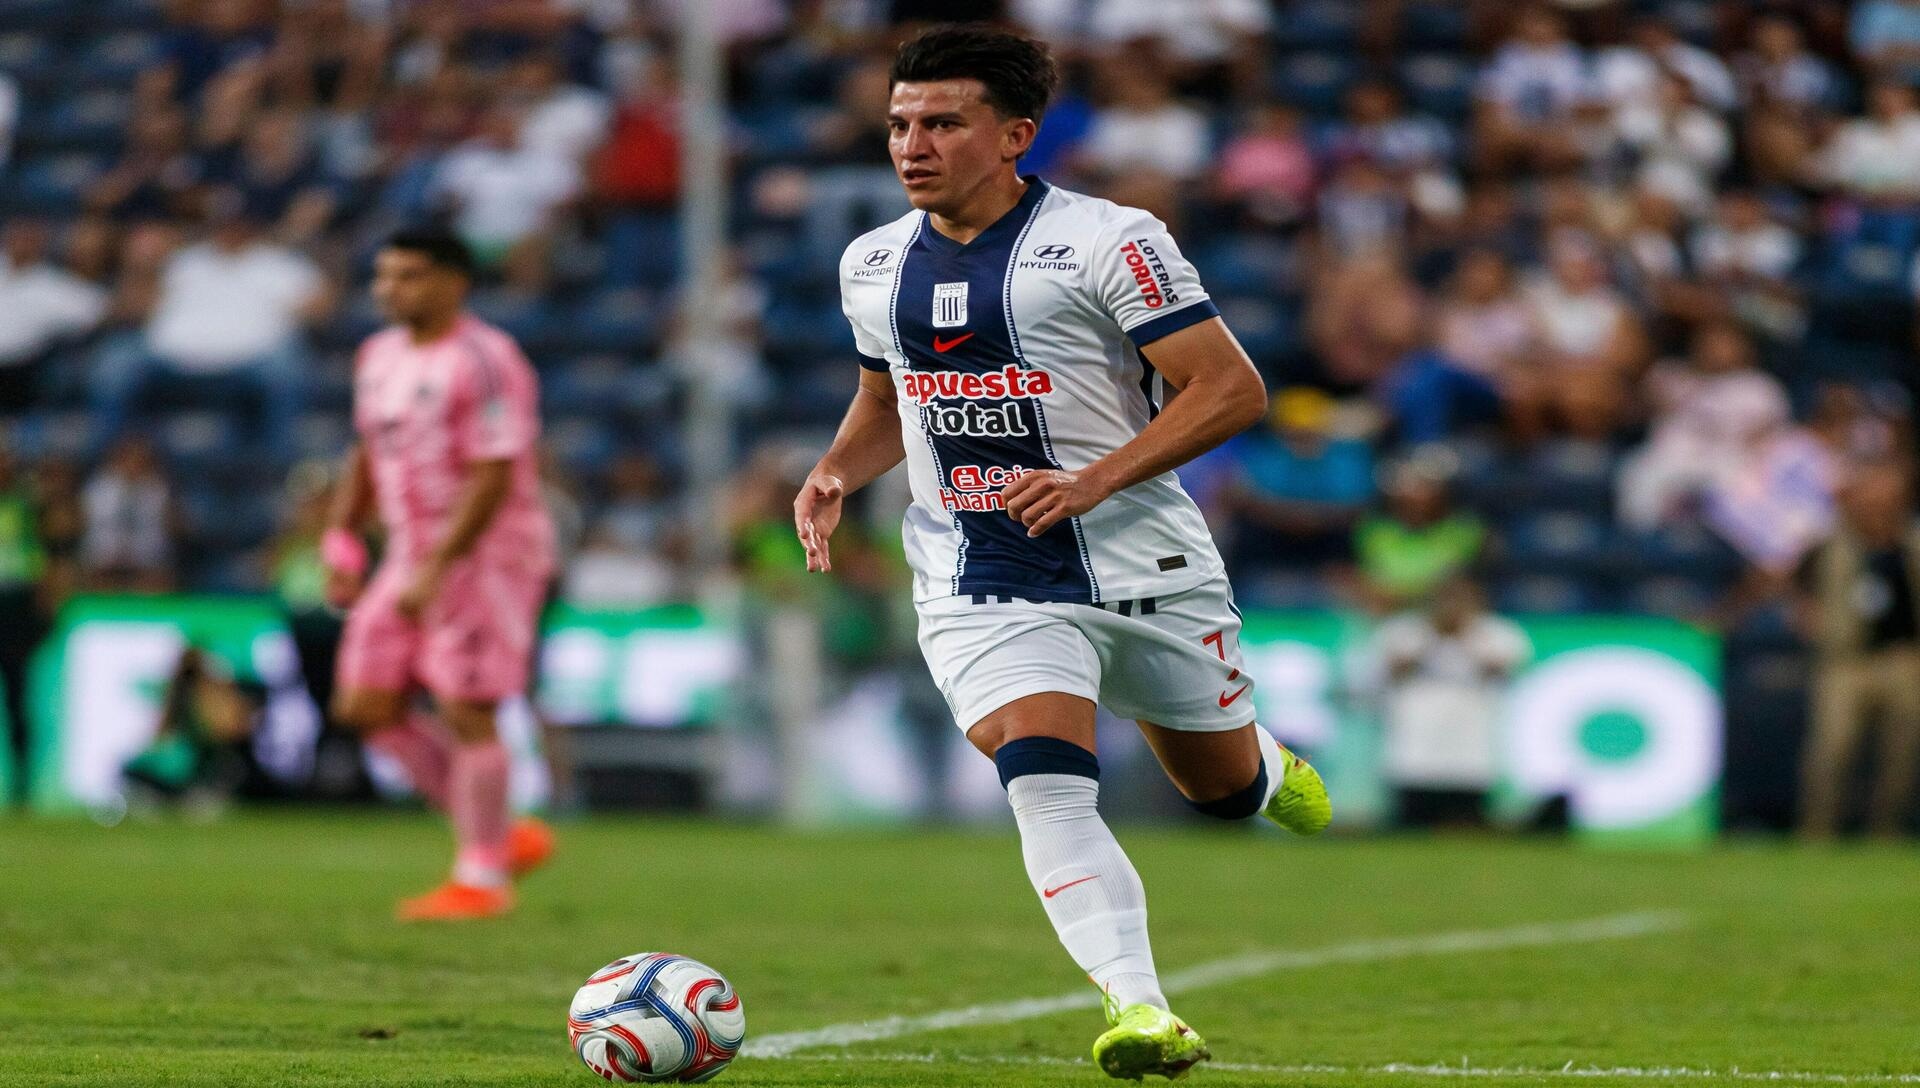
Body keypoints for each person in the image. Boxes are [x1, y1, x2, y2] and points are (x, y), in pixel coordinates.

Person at [792, 26, 1330, 1080]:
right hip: (978, 570)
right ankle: (1142, 1008)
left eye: (943, 122)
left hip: (1142, 561)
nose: (913, 144)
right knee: (1043, 778)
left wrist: (1094, 477)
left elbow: (1229, 390)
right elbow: (885, 393)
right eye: (900, 123)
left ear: (1015, 134)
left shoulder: (1109, 239)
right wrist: (835, 471)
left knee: (1216, 793)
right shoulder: (871, 261)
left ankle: (1261, 764)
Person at [320, 228, 557, 921]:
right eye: (385, 276)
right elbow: (368, 450)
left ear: (456, 281)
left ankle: (481, 877)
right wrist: (341, 536)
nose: (392, 290)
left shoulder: (485, 359)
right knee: (366, 706)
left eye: (412, 276)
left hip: (486, 554)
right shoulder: (378, 356)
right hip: (409, 552)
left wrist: (439, 567)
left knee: (468, 708)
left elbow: (494, 473)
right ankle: (500, 835)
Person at [1797, 459, 1920, 839]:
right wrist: (1804, 611)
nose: (1880, 501)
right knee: (1831, 751)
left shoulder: (1911, 541)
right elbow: (1791, 575)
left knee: (1902, 753)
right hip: (1844, 660)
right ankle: (1817, 834)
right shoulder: (1827, 539)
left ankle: (1886, 833)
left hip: (1902, 657)